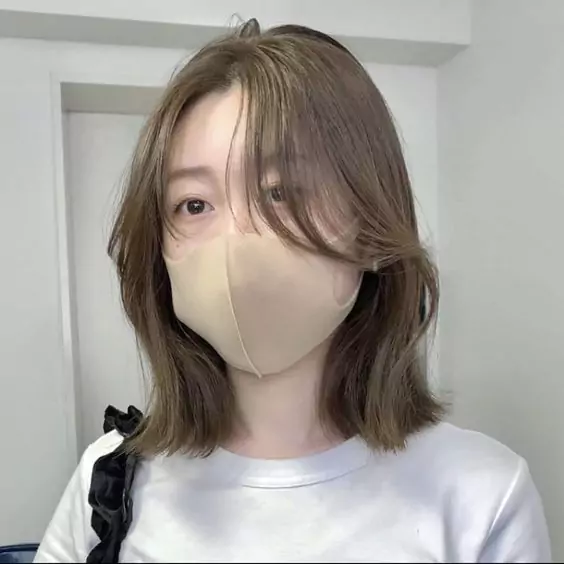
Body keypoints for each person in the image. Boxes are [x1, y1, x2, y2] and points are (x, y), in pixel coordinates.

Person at [34, 19, 551, 563]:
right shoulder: (110, 479)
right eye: (194, 204)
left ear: (371, 224)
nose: (235, 242)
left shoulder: (480, 497)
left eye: (280, 192)